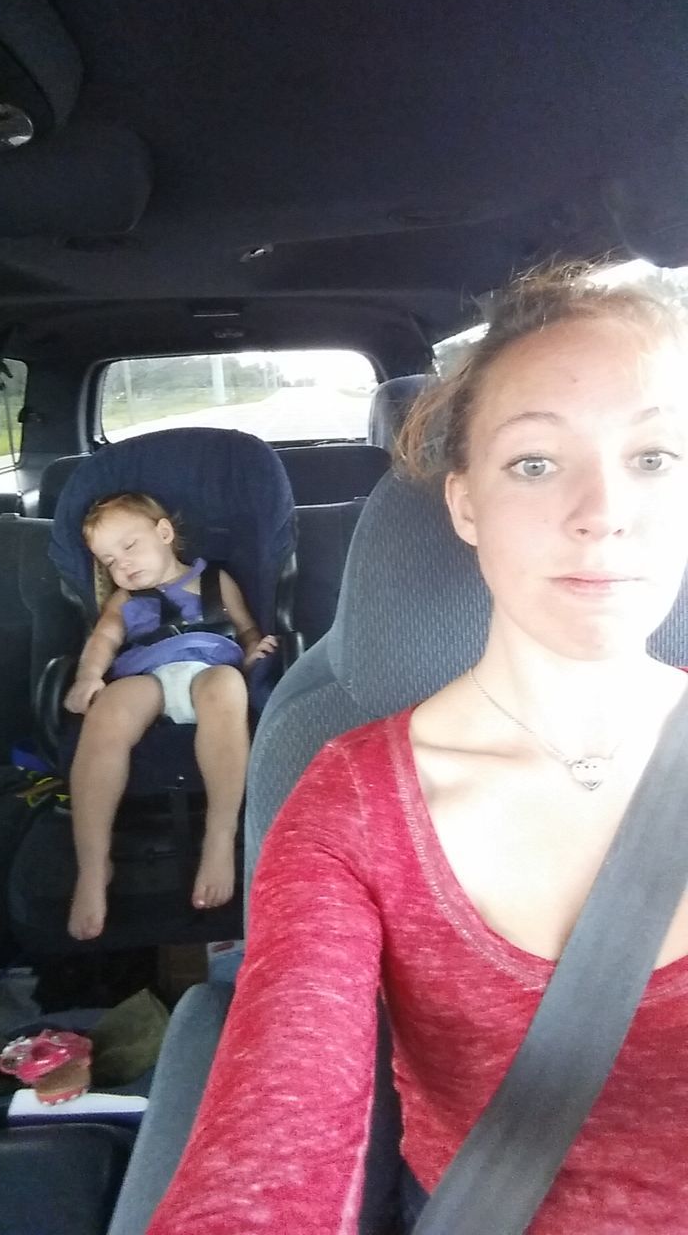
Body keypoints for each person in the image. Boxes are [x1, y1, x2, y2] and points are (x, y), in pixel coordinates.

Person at [145, 265, 688, 1233]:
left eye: (655, 456)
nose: (604, 508)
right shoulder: (351, 804)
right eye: (534, 461)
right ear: (465, 502)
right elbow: (276, 1129)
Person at [64, 491, 277, 941]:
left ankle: (219, 836)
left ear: (163, 534)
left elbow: (245, 628)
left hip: (210, 671)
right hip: (150, 678)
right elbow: (102, 642)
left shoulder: (217, 581)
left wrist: (255, 647)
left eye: (129, 546)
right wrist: (88, 677)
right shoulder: (123, 600)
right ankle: (92, 863)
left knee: (225, 686)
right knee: (107, 714)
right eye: (108, 560)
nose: (121, 565)